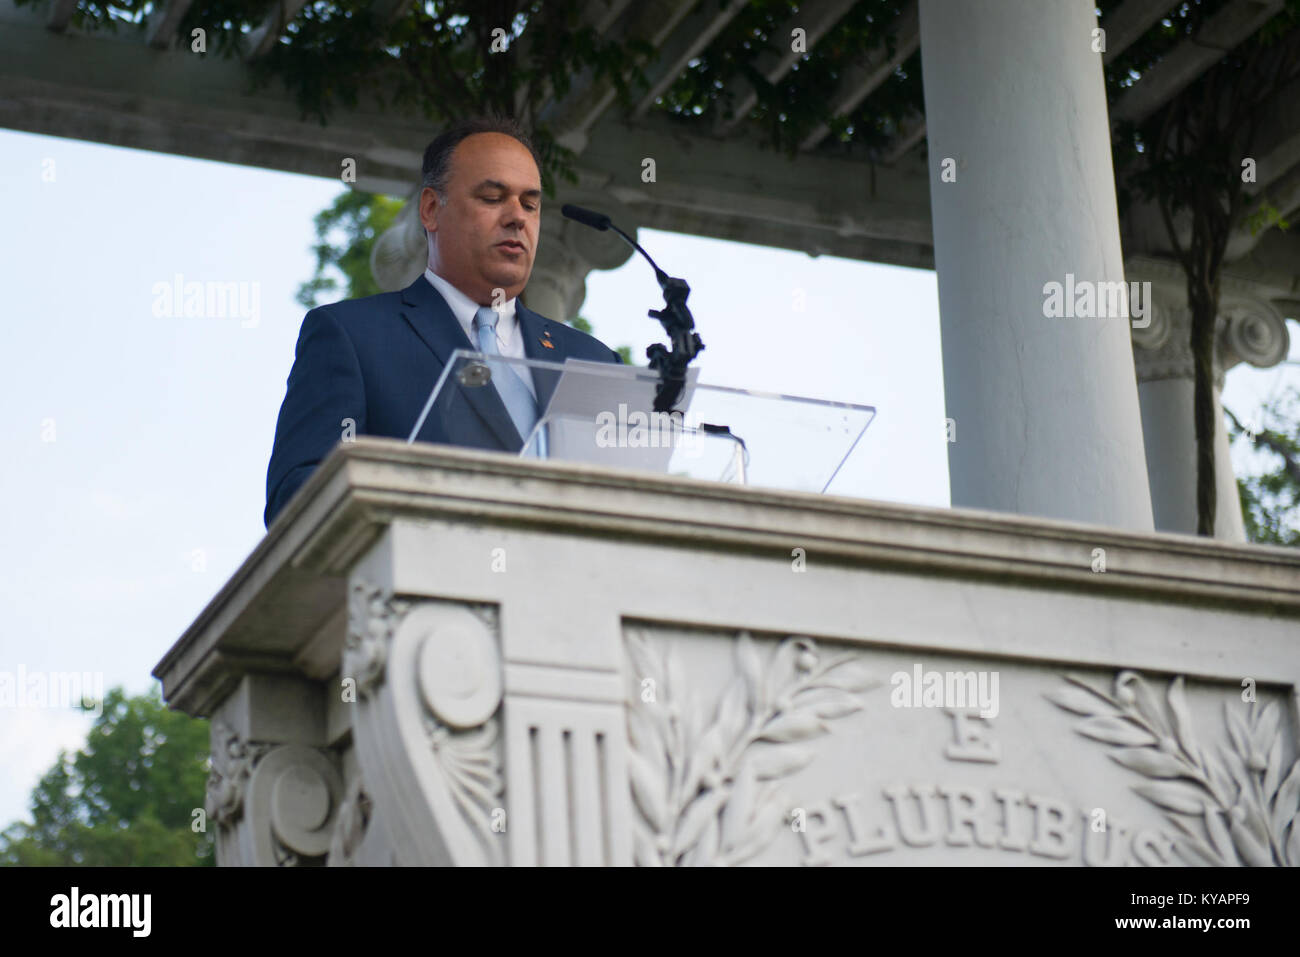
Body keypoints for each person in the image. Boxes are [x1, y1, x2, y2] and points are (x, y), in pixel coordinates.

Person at [263, 116, 622, 528]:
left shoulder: (593, 360)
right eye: (492, 197)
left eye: (530, 203)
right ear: (432, 209)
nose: (517, 218)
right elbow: (297, 498)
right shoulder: (352, 336)